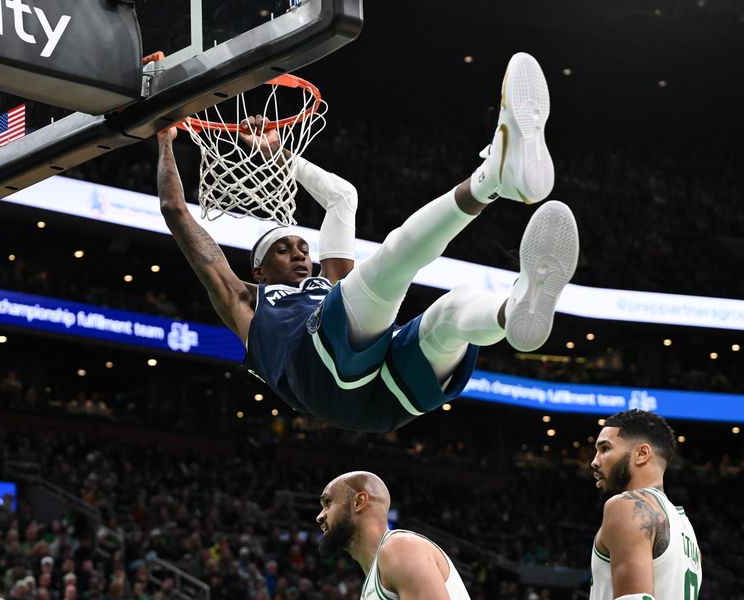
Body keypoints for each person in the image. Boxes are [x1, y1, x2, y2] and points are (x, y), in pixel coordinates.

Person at [157, 52, 579, 432]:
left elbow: (343, 198)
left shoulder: (327, 287)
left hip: (383, 399)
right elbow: (175, 211)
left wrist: (281, 155)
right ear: (259, 270)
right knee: (389, 266)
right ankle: (489, 182)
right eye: (283, 250)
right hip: (319, 374)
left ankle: (515, 309)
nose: (302, 255)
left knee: (455, 309)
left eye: (304, 248)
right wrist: (164, 141)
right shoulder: (245, 301)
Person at [589, 409, 702, 599]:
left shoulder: (628, 506)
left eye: (605, 449)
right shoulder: (686, 528)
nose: (594, 461)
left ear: (642, 453)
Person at [316, 471, 469, 599]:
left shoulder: (400, 547)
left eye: (328, 503)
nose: (320, 516)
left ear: (359, 502)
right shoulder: (370, 584)